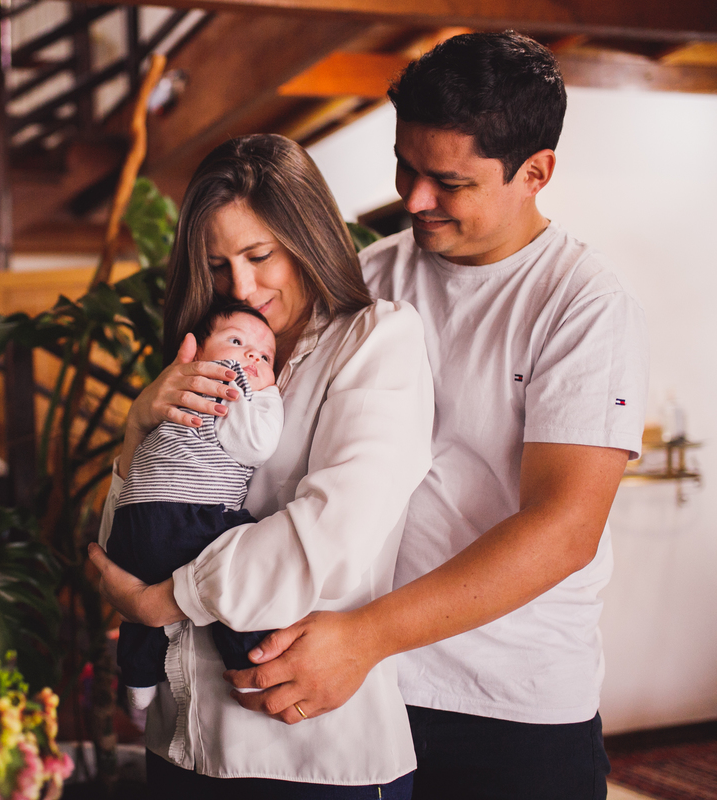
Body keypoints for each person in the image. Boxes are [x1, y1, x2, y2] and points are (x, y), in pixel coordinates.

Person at [205, 32, 646, 800]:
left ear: (536, 172)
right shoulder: (368, 277)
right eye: (405, 165)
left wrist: (365, 638)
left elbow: (564, 531)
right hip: (361, 686)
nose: (412, 200)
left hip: (511, 707)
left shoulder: (582, 305)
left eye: (447, 181)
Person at [91, 133, 434, 798]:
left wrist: (166, 600)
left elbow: (331, 536)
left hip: (304, 754)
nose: (241, 286)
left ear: (306, 236)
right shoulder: (207, 352)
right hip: (178, 741)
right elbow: (134, 529)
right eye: (218, 266)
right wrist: (137, 427)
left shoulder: (377, 341)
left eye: (259, 255)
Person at [104, 300, 284, 712]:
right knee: (241, 553)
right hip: (187, 515)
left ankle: (138, 678)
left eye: (266, 356)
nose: (251, 356)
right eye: (236, 342)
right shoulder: (233, 390)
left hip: (132, 520)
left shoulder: (174, 397)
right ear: (196, 353)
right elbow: (256, 445)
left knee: (142, 595)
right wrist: (260, 391)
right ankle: (247, 659)